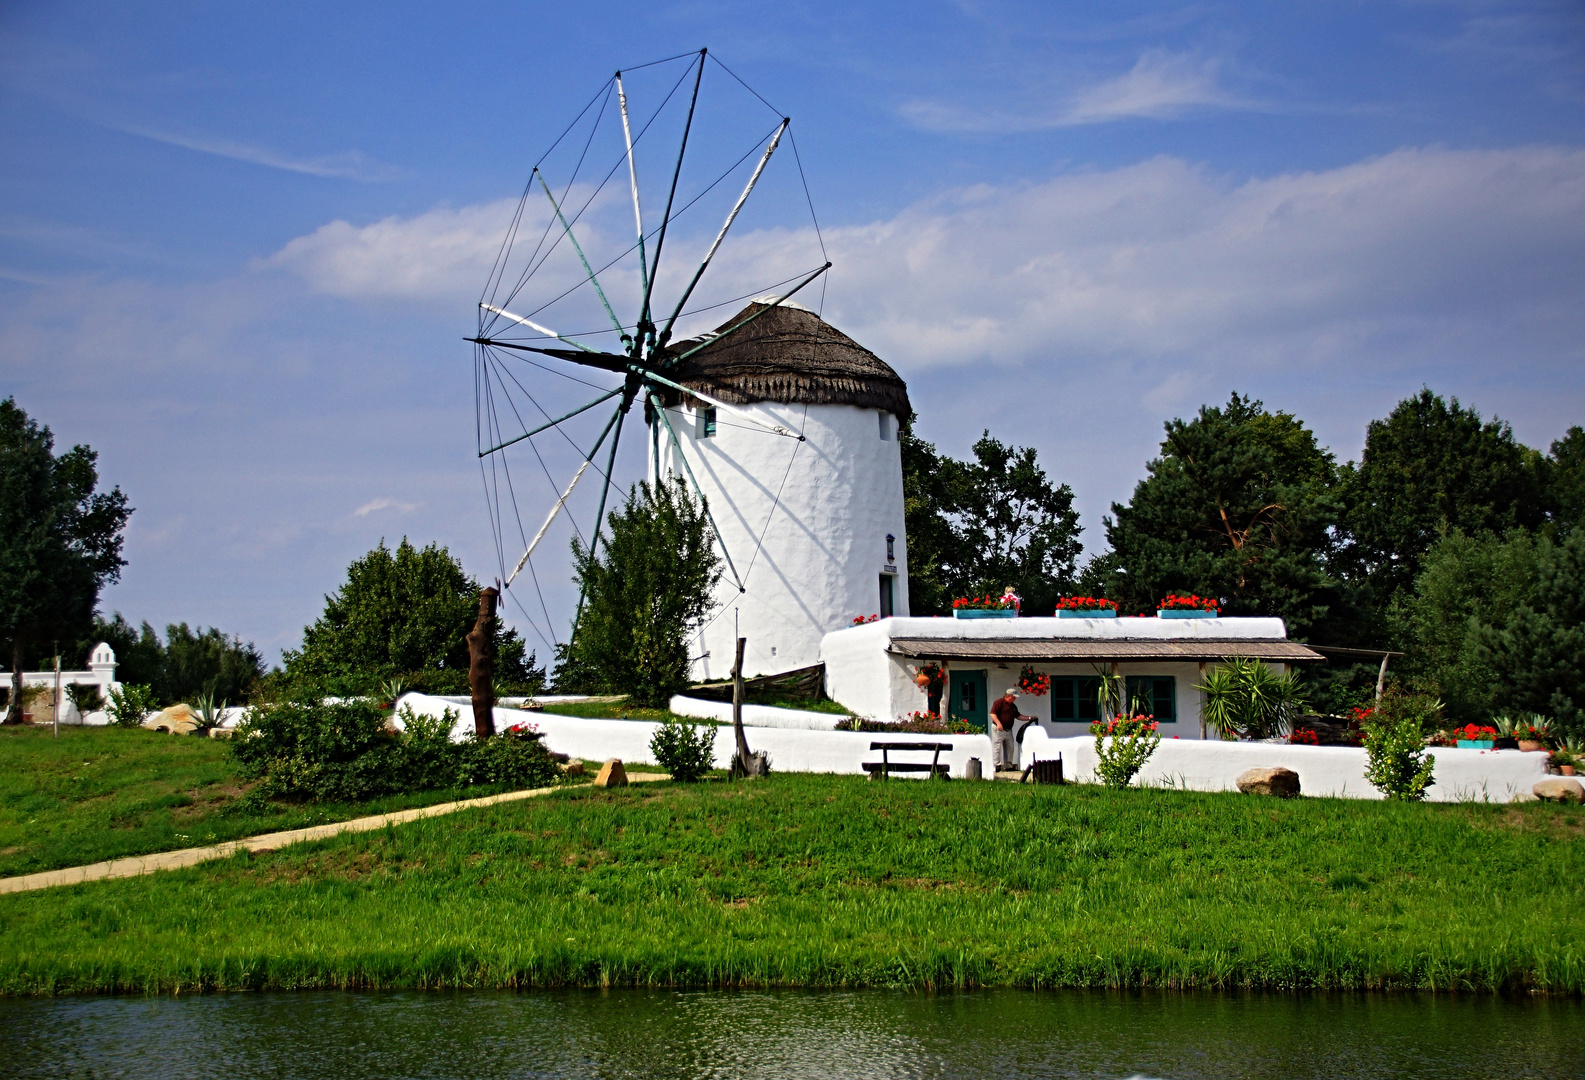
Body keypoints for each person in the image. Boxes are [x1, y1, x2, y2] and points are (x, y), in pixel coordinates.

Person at [989, 688, 1034, 771]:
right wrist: (999, 723)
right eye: (1013, 697)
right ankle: (996, 765)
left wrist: (1029, 718)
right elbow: (992, 714)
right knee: (997, 746)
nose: (1014, 698)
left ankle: (1008, 765)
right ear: (1009, 696)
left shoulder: (1013, 706)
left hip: (1008, 729)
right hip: (998, 729)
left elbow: (1018, 716)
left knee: (1010, 747)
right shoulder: (999, 702)